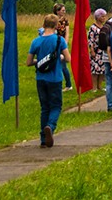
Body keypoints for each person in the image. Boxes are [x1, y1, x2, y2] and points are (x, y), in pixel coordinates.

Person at [27, 14, 69, 147]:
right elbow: (68, 58)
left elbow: (29, 62)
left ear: (43, 25)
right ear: (57, 26)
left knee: (44, 108)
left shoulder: (36, 41)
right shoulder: (59, 40)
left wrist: (39, 61)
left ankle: (43, 140)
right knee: (56, 106)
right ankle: (50, 126)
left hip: (40, 78)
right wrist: (59, 58)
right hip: (55, 78)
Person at [88, 9, 107, 92]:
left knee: (102, 69)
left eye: (104, 16)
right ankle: (94, 87)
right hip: (95, 51)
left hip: (102, 51)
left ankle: (100, 86)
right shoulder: (93, 27)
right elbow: (90, 40)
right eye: (102, 16)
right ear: (98, 17)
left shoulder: (104, 27)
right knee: (95, 70)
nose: (104, 18)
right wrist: (91, 50)